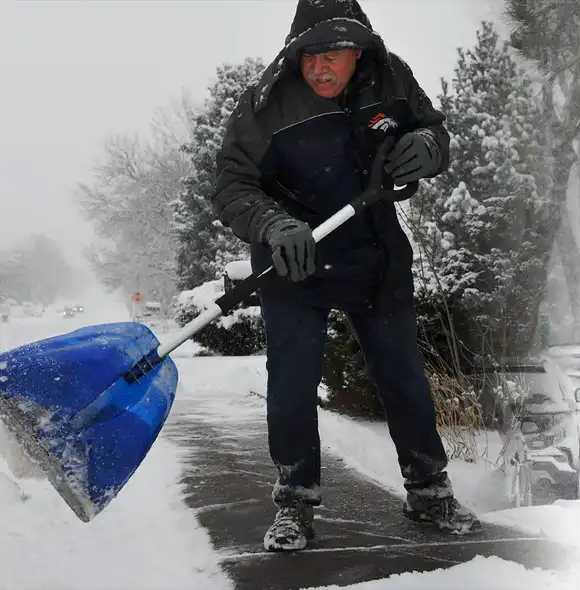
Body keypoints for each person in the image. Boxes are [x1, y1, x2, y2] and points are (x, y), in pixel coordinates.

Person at [210, 0, 482, 552]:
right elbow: (232, 186)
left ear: (358, 52)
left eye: (333, 55)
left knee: (403, 375)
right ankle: (295, 502)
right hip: (294, 258)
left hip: (374, 253)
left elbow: (435, 131)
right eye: (310, 56)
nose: (320, 69)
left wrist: (428, 148)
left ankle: (429, 492)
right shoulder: (266, 105)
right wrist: (272, 224)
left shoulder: (392, 78)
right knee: (292, 383)